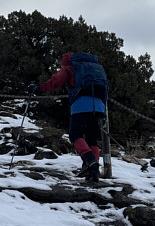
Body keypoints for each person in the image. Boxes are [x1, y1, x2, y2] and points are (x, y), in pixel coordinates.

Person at [27, 52, 109, 182]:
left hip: (81, 105)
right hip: (99, 106)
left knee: (75, 135)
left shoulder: (70, 67)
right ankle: (93, 172)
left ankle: (90, 161)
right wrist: (102, 108)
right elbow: (105, 89)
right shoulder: (95, 69)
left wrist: (38, 89)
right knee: (92, 139)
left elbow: (56, 81)